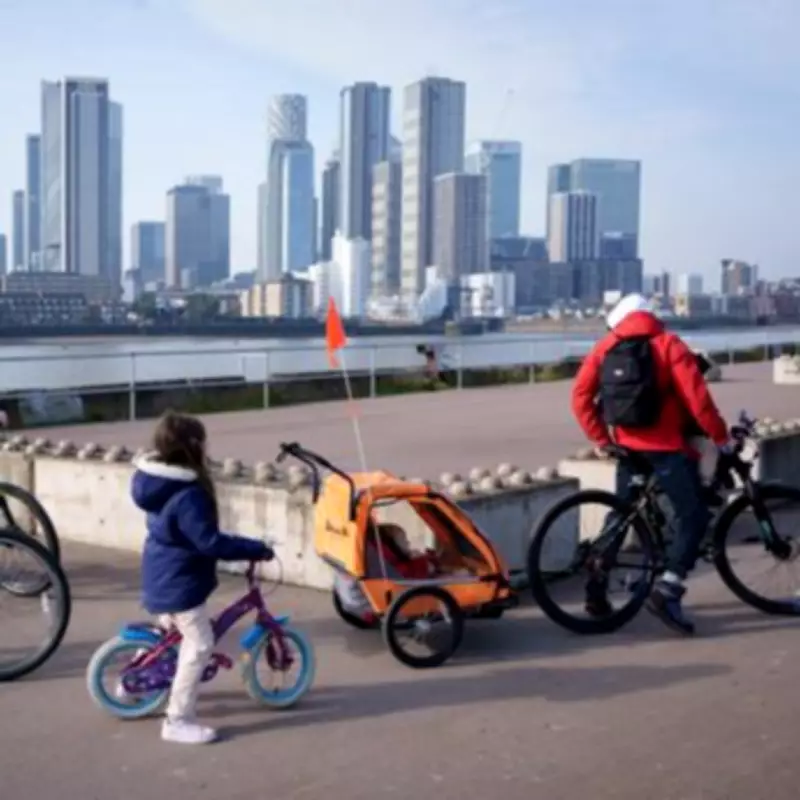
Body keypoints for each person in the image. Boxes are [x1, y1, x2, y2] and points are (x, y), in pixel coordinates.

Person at [571, 293, 730, 635]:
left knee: (620, 514)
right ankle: (668, 589)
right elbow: (698, 400)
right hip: (666, 448)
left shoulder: (604, 347)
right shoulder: (668, 343)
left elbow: (580, 397)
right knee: (694, 514)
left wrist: (602, 439)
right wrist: (720, 436)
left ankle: (595, 592)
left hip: (627, 447)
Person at [131, 411, 275, 745]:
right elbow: (209, 542)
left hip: (162, 573)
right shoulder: (189, 494)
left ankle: (133, 680)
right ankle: (177, 720)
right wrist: (256, 549)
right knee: (200, 644)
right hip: (179, 583)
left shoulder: (158, 483)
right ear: (193, 447)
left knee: (171, 634)